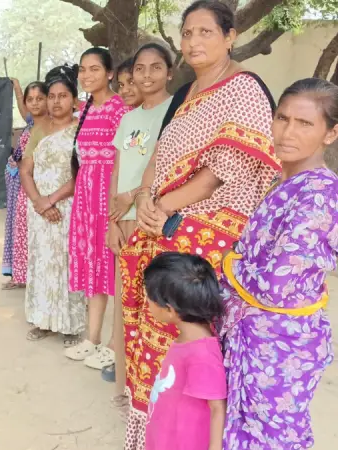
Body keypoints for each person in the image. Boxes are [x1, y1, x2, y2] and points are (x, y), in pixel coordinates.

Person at [120, 2, 280, 448]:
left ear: (230, 37)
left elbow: (219, 173)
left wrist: (163, 207)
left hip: (208, 234)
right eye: (187, 33)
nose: (193, 42)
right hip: (164, 222)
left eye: (205, 32)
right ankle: (154, 430)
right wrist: (146, 199)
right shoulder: (186, 93)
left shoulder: (243, 89)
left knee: (190, 341)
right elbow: (159, 156)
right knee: (155, 335)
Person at [220, 78, 338, 449]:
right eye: (282, 118)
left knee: (270, 439)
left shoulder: (319, 195)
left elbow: (276, 284)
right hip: (251, 335)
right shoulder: (282, 178)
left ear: (331, 133)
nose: (287, 132)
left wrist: (226, 262)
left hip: (279, 348)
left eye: (304, 123)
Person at [102, 44, 174, 406]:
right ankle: (125, 387)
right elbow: (116, 170)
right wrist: (112, 223)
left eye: (156, 68)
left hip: (153, 218)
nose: (146, 76)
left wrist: (133, 195)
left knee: (154, 306)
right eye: (140, 69)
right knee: (125, 305)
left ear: (169, 73)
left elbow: (170, 167)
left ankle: (155, 392)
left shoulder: (175, 111)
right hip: (125, 223)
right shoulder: (128, 119)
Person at [65, 47, 129, 365]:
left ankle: (115, 345)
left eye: (94, 69)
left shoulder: (120, 109)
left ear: (110, 73)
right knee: (93, 266)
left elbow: (124, 160)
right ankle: (92, 339)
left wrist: (118, 203)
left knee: (114, 270)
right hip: (85, 198)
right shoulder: (86, 109)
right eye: (82, 69)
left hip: (108, 196)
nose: (87, 75)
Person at [20, 66, 86, 346]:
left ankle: (70, 325)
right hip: (39, 210)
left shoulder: (81, 130)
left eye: (63, 96)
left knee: (66, 263)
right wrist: (39, 202)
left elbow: (81, 175)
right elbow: (25, 170)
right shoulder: (39, 130)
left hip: (68, 208)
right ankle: (42, 320)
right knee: (42, 262)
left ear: (74, 100)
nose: (56, 101)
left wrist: (51, 200)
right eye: (52, 96)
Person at [143, 252, 227, 450]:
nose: (146, 301)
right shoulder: (190, 339)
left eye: (149, 298)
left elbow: (217, 407)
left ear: (169, 310)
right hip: (167, 435)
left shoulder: (202, 354)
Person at [3, 80, 49, 290]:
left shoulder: (50, 127)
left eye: (40, 98)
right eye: (30, 99)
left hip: (36, 188)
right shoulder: (31, 123)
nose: (35, 103)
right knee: (21, 232)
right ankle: (22, 275)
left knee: (36, 233)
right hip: (20, 187)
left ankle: (38, 277)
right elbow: (24, 111)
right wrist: (17, 88)